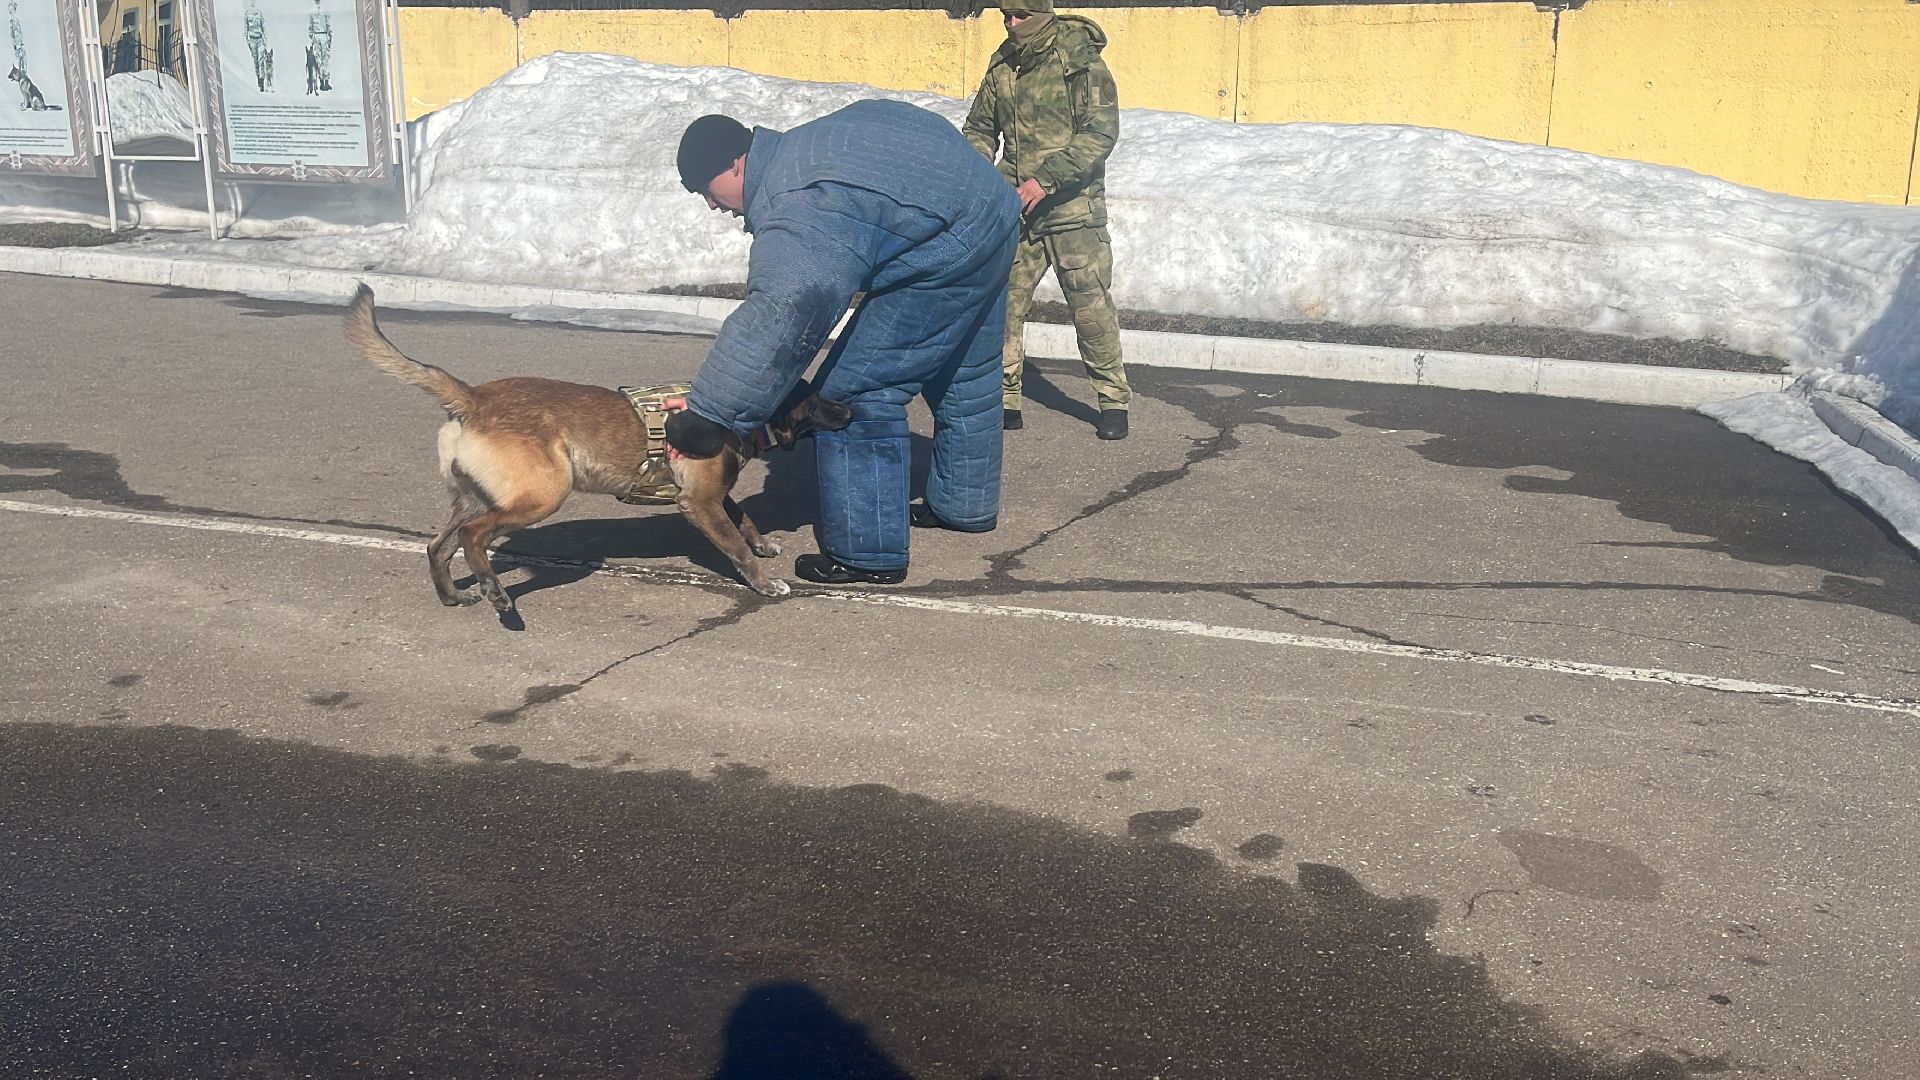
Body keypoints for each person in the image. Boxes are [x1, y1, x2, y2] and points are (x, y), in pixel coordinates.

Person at [672, 102, 1020, 586]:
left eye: (705, 190)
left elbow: (785, 312)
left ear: (734, 162)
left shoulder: (799, 198)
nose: (711, 205)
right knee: (965, 370)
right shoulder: (806, 149)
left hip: (949, 244)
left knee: (853, 393)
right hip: (993, 212)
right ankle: (964, 504)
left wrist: (709, 415)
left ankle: (866, 553)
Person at [963, 0, 1132, 441]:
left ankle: (1112, 400)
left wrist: (1045, 181)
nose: (1011, 23)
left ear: (1041, 14)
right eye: (1005, 16)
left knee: (1090, 310)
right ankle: (1005, 398)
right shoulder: (1002, 65)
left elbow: (1099, 133)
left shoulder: (1080, 60)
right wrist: (984, 179)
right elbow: (979, 129)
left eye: (1020, 15)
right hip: (1015, 209)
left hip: (1073, 210)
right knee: (1002, 306)